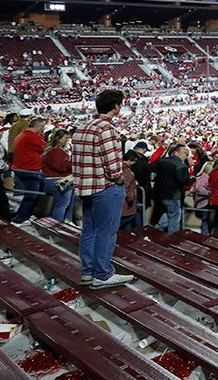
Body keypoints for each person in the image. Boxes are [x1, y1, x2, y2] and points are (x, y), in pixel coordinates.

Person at [69, 88, 134, 288]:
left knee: (89, 230)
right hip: (104, 188)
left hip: (85, 187)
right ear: (116, 106)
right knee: (107, 232)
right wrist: (120, 181)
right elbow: (113, 166)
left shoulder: (83, 126)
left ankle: (88, 273)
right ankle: (103, 274)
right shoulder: (106, 129)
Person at [10, 115, 48, 223]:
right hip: (29, 169)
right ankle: (20, 219)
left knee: (37, 190)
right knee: (31, 195)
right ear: (39, 127)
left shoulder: (22, 135)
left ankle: (27, 214)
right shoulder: (31, 137)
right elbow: (47, 148)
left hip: (22, 168)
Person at [152, 143, 191, 231]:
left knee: (170, 212)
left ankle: (158, 228)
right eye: (187, 155)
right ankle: (173, 236)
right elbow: (182, 181)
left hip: (159, 192)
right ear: (183, 153)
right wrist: (192, 180)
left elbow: (151, 168)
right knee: (175, 215)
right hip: (173, 194)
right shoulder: (181, 166)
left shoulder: (162, 161)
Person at [41, 128, 75, 223]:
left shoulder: (58, 150)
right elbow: (60, 167)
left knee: (66, 203)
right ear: (58, 138)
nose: (67, 141)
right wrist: (73, 164)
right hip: (57, 180)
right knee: (62, 204)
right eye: (65, 138)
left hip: (58, 179)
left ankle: (66, 220)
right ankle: (57, 225)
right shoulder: (55, 151)